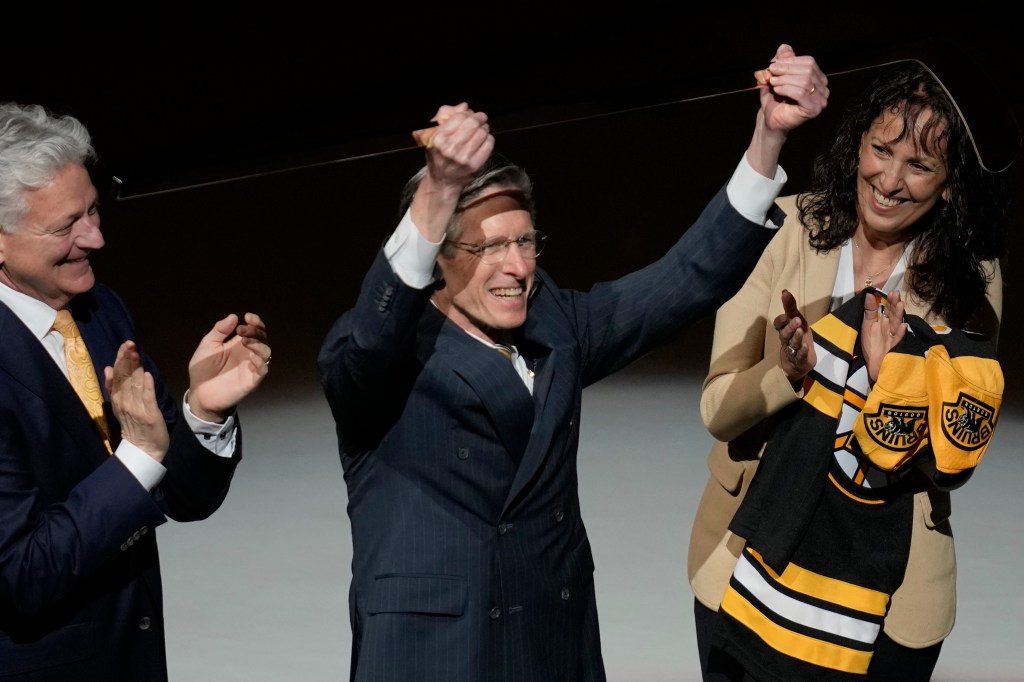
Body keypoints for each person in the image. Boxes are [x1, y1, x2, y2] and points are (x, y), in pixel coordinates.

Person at [317, 44, 828, 681]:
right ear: (437, 259)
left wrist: (768, 137)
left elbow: (685, 280)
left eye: (525, 240)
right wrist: (441, 186)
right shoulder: (380, 359)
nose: (518, 267)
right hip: (436, 656)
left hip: (553, 644)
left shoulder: (556, 322)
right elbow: (370, 340)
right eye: (491, 247)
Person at [688, 59, 1011, 681]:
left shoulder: (972, 279)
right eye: (881, 149)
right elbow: (718, 411)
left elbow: (952, 462)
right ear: (857, 141)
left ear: (950, 183)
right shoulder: (783, 228)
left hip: (886, 585)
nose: (889, 180)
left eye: (919, 165)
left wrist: (893, 380)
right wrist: (786, 372)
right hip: (748, 556)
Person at [0, 102, 272, 680]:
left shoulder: (101, 312)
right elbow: (20, 576)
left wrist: (203, 411)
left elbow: (180, 498)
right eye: (66, 225)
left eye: (94, 210)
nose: (95, 238)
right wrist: (140, 457)